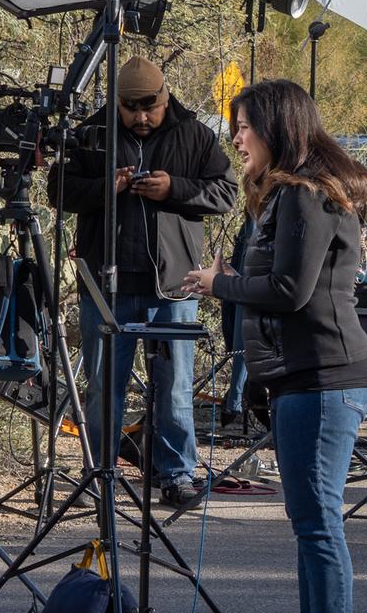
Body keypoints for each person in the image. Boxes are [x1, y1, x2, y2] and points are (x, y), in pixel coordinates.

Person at [182, 79, 367, 613]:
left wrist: (221, 283)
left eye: (244, 126)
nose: (235, 137)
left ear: (278, 128)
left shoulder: (303, 196)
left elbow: (291, 289)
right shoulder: (287, 195)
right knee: (308, 526)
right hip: (301, 379)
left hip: (326, 377)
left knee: (320, 528)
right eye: (233, 126)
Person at [52, 57, 234, 510]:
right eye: (130, 108)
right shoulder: (93, 132)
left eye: (148, 107)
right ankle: (100, 473)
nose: (140, 117)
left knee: (173, 385)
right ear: (117, 102)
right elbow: (58, 188)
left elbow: (227, 193)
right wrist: (106, 188)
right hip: (106, 286)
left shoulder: (194, 134)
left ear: (164, 97)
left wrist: (174, 188)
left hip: (174, 287)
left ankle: (176, 474)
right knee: (102, 386)